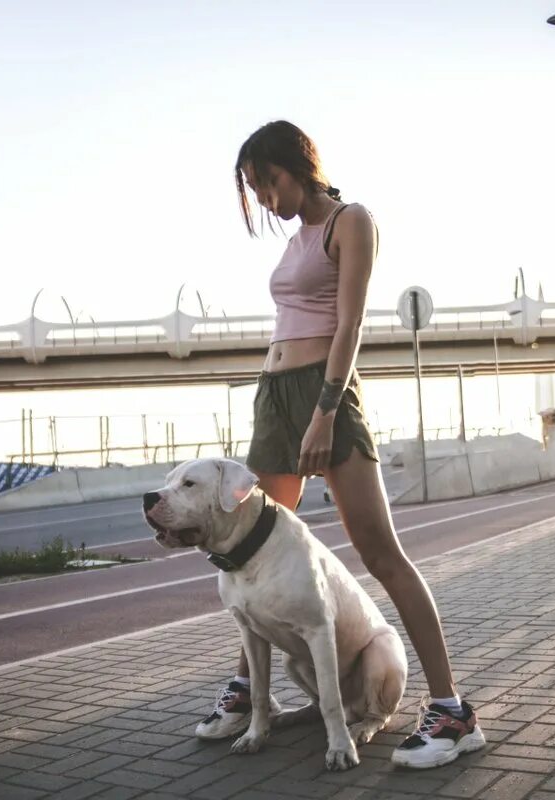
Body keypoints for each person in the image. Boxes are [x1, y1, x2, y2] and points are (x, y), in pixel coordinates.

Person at [194, 120, 485, 769]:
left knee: (381, 552)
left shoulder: (350, 220)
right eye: (254, 189)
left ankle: (451, 710)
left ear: (297, 164)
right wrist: (284, 406)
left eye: (266, 182)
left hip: (322, 394)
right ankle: (249, 689)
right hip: (274, 399)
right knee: (250, 547)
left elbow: (349, 323)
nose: (265, 199)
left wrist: (324, 411)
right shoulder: (297, 237)